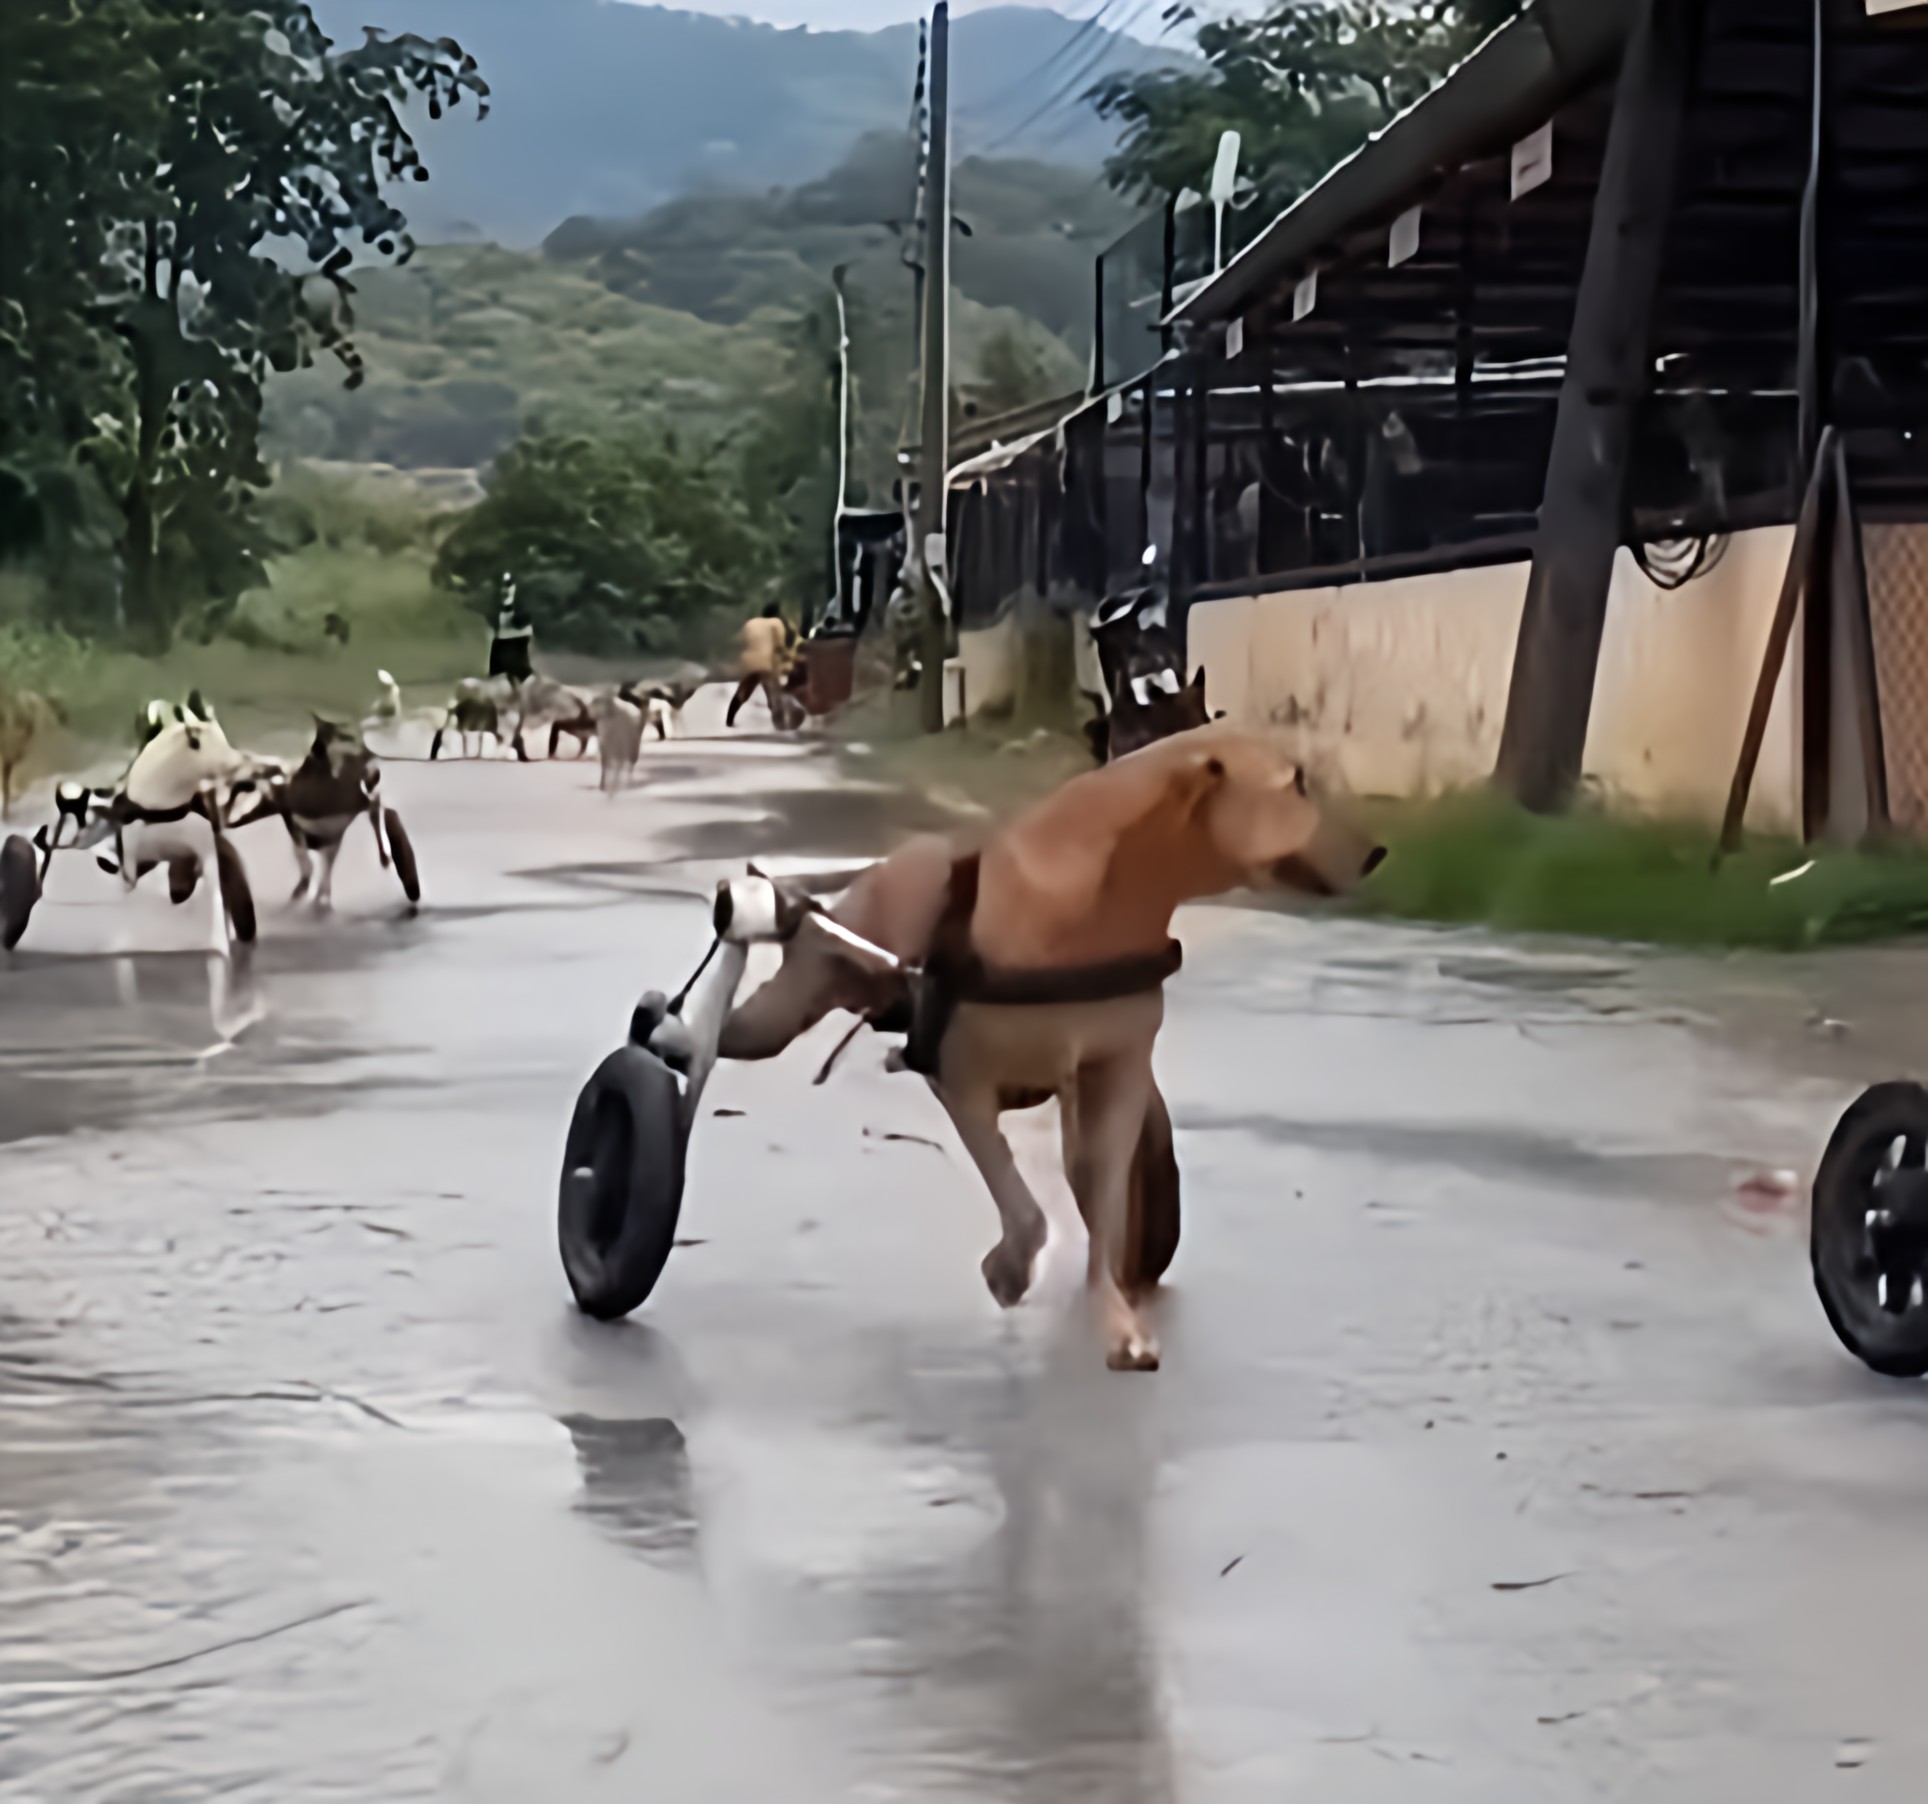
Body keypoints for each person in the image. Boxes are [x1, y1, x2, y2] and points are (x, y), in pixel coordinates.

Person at [725, 600, 796, 728]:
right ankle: (781, 724)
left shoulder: (751, 623)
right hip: (766, 663)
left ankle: (729, 721)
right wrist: (789, 658)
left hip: (749, 662)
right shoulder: (776, 623)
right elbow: (779, 647)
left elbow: (738, 641)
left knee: (743, 692)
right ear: (777, 614)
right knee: (773, 694)